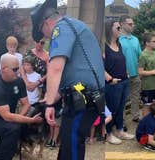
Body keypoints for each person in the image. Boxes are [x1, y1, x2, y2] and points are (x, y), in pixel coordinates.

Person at [30, 0, 105, 159]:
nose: (46, 37)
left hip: (83, 99)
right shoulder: (73, 25)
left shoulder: (61, 28)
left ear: (45, 23)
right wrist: (51, 97)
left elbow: (55, 67)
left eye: (43, 32)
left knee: (72, 144)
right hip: (86, 97)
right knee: (68, 142)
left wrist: (50, 104)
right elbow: (72, 74)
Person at [0, 54, 43, 160]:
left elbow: (26, 104)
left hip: (7, 118)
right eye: (15, 69)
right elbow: (7, 117)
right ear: (4, 69)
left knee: (5, 151)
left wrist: (19, 117)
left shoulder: (18, 81)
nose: (18, 72)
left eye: (18, 68)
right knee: (13, 129)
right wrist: (30, 119)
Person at [104, 19, 135, 145]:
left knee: (121, 108)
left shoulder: (119, 45)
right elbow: (100, 67)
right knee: (112, 109)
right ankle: (108, 133)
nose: (120, 30)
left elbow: (122, 61)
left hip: (124, 81)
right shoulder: (104, 47)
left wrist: (126, 72)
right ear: (109, 29)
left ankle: (120, 130)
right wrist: (110, 79)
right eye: (117, 28)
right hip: (113, 84)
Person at [119, 15, 142, 122]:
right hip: (121, 75)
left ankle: (135, 116)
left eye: (133, 23)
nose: (133, 26)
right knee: (122, 99)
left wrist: (139, 70)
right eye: (130, 24)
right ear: (122, 24)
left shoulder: (135, 39)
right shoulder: (117, 39)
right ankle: (121, 120)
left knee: (135, 97)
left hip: (135, 74)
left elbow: (139, 56)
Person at [138, 33, 155, 117]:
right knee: (147, 105)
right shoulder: (143, 55)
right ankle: (145, 125)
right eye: (154, 41)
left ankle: (153, 124)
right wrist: (153, 72)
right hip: (147, 86)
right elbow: (140, 72)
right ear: (147, 43)